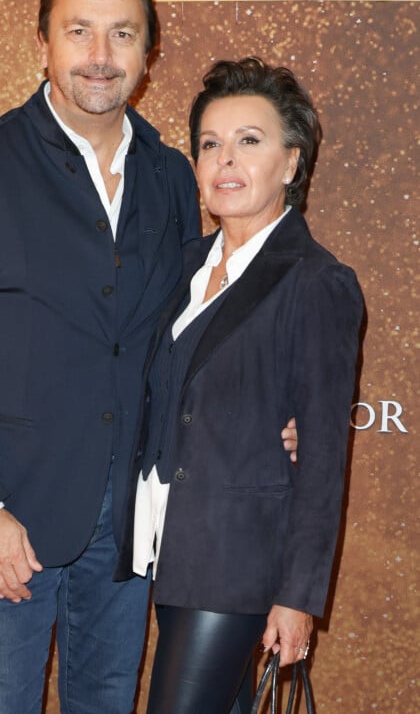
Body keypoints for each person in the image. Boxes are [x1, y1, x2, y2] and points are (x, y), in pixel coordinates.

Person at [0, 0, 297, 714]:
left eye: (122, 35)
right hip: (8, 519)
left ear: (147, 54)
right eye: (80, 32)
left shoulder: (175, 176)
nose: (100, 58)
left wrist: (266, 413)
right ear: (44, 41)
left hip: (130, 529)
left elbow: (188, 334)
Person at [116, 57, 363, 713]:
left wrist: (299, 597)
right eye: (210, 143)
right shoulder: (184, 265)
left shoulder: (315, 281)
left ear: (291, 162)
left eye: (249, 141)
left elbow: (323, 461)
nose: (226, 160)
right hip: (167, 546)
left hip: (238, 563)